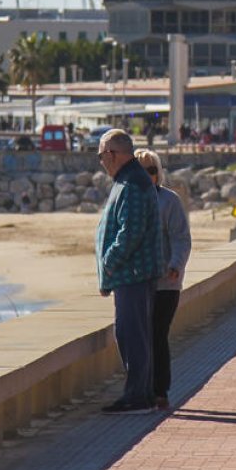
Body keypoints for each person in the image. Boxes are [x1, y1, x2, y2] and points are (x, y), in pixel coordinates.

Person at [95, 129, 163, 414]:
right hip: (130, 274)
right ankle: (141, 394)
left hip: (132, 275)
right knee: (133, 334)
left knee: (131, 335)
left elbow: (130, 233)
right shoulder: (128, 180)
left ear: (113, 154)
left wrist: (108, 262)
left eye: (101, 155)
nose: (100, 162)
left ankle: (137, 397)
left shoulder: (132, 183)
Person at [134, 149, 192, 411]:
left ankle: (159, 391)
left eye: (152, 170)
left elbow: (181, 238)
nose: (148, 175)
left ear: (159, 174)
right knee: (138, 337)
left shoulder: (169, 201)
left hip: (166, 283)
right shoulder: (127, 200)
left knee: (157, 335)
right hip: (136, 283)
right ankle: (139, 389)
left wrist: (175, 265)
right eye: (142, 170)